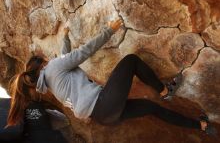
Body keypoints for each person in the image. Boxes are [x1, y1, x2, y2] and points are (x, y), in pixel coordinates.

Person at [6, 19, 214, 135]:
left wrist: (66, 36)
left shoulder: (51, 83)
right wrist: (109, 30)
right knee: (131, 60)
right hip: (104, 103)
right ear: (41, 64)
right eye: (44, 58)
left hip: (103, 117)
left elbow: (64, 57)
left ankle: (201, 126)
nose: (48, 59)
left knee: (153, 109)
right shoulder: (52, 69)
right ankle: (164, 91)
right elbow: (83, 53)